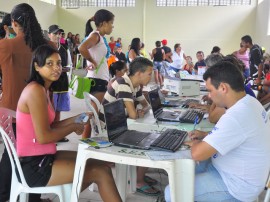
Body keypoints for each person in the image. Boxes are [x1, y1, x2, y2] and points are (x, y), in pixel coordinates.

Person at [16, 44, 121, 202]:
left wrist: (76, 118)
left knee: (99, 164)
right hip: (34, 166)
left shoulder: (44, 89)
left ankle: (67, 196)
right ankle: (67, 196)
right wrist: (72, 127)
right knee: (100, 172)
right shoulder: (35, 91)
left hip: (44, 156)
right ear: (37, 66)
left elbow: (50, 126)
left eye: (58, 63)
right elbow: (44, 136)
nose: (56, 68)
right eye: (49, 64)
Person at [165, 60, 270, 202]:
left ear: (223, 88)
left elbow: (197, 154)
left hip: (236, 186)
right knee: (182, 173)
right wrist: (206, 136)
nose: (208, 96)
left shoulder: (236, 115)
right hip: (236, 173)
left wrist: (195, 144)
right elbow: (239, 136)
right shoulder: (250, 102)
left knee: (173, 191)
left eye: (210, 90)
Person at [0, 3, 49, 202]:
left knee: (10, 156)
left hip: (13, 109)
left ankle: (4, 196)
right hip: (40, 108)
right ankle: (33, 198)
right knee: (37, 154)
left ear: (13, 23)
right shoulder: (46, 46)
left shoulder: (7, 45)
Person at [100, 57, 161, 196]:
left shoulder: (136, 85)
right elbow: (134, 115)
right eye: (149, 73)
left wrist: (138, 110)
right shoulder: (123, 84)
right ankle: (138, 180)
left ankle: (138, 175)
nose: (151, 77)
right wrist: (137, 111)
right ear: (139, 73)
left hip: (120, 122)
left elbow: (146, 106)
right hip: (110, 128)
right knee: (149, 137)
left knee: (148, 131)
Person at [78, 9, 114, 138]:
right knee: (92, 113)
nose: (112, 26)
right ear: (104, 23)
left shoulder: (100, 37)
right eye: (111, 23)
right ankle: (84, 140)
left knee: (93, 112)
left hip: (99, 79)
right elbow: (82, 48)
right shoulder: (96, 36)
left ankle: (86, 138)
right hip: (97, 81)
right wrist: (92, 61)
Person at [48, 24, 72, 143]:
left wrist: (64, 69)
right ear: (49, 35)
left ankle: (57, 133)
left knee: (58, 110)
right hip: (50, 83)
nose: (58, 36)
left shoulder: (64, 48)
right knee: (49, 109)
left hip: (62, 82)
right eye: (55, 33)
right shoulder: (46, 48)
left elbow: (69, 65)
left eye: (59, 34)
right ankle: (49, 134)